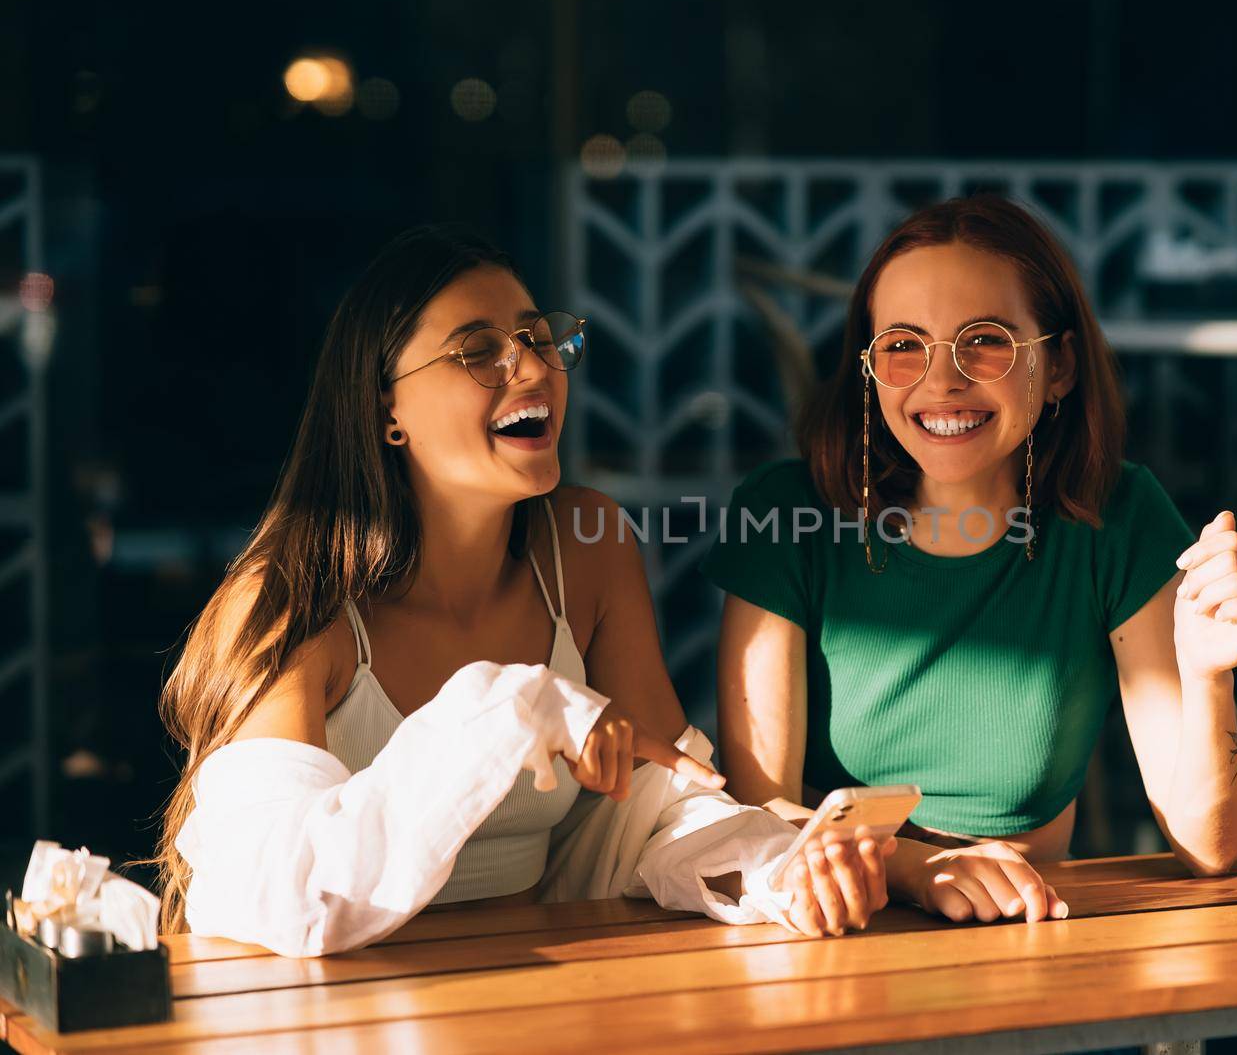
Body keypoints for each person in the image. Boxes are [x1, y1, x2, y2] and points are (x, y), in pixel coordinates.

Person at [154, 225, 892, 957]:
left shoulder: (584, 547)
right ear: (387, 411)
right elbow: (284, 894)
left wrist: (777, 868)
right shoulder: (291, 597)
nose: (533, 369)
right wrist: (510, 708)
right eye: (479, 351)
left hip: (532, 995)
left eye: (539, 340)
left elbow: (660, 798)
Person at [704, 195, 1237, 925]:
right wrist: (918, 867)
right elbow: (758, 818)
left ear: (1060, 363)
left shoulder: (1117, 516)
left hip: (1030, 942)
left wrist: (1207, 676)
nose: (941, 381)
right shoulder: (786, 513)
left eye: (985, 341)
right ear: (869, 370)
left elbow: (1209, 846)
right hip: (825, 939)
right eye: (904, 345)